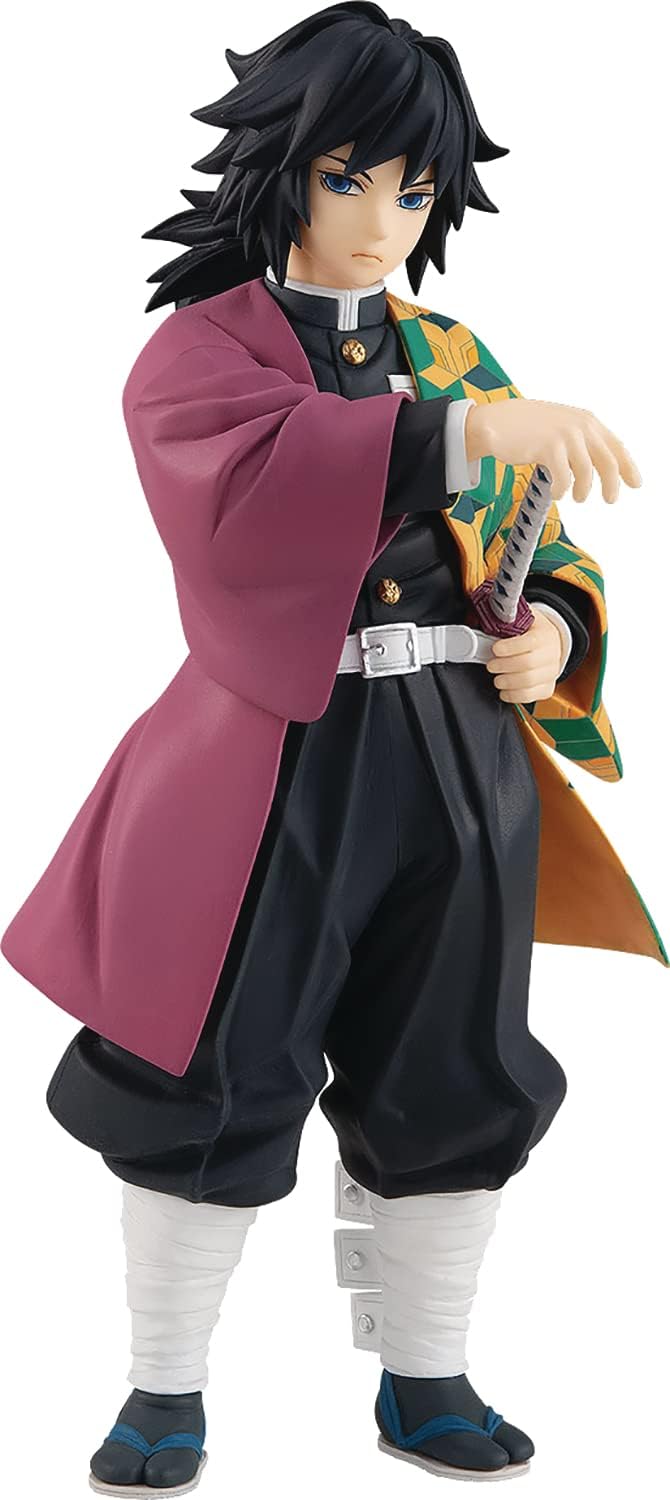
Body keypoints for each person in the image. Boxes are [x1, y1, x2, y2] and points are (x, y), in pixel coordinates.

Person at [2, 5, 664, 1491]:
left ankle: (425, 1374)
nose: (381, 222)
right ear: (283, 167)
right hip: (273, 774)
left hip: (457, 762)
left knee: (455, 1059)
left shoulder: (453, 354)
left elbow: (536, 543)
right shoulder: (200, 354)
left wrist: (554, 630)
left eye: (413, 192)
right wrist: (462, 435)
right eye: (349, 178)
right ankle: (164, 1385)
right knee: (216, 1060)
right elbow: (239, 512)